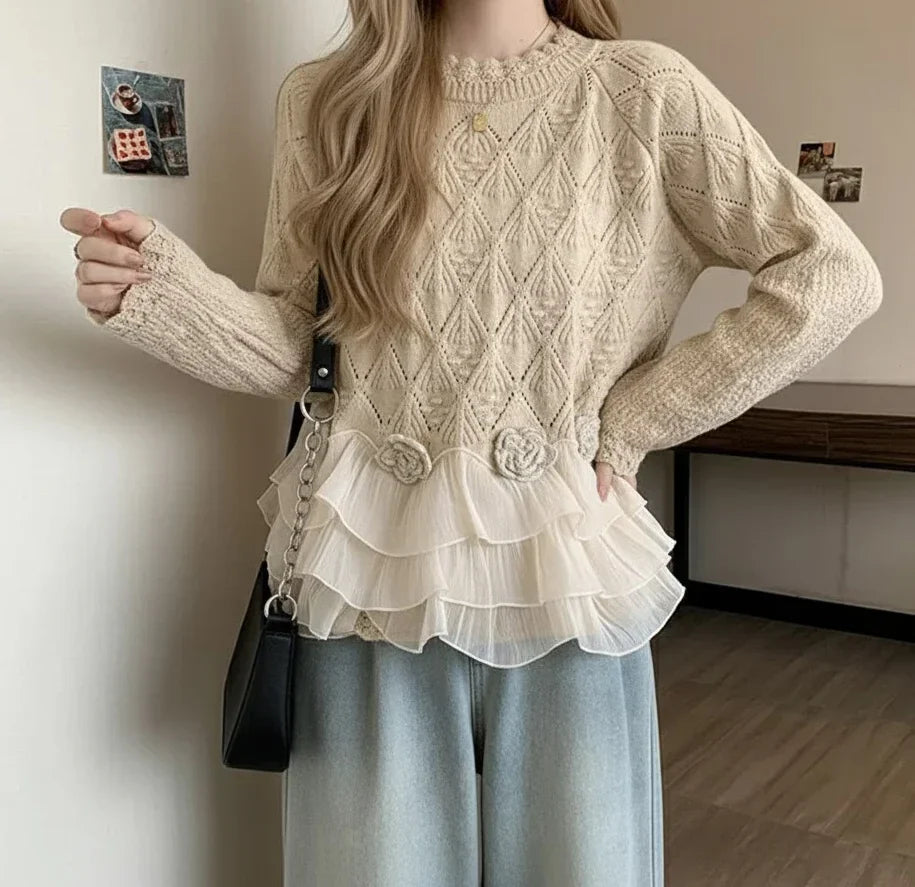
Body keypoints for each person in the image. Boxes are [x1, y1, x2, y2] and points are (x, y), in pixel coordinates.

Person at [59, 2, 882, 884]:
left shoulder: (639, 91)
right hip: (369, 564)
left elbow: (831, 275)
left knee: (583, 867)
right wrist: (161, 294)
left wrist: (635, 419)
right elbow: (304, 349)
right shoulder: (329, 99)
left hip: (563, 560)